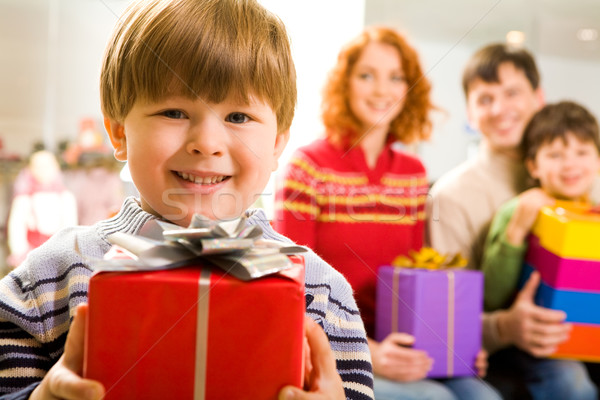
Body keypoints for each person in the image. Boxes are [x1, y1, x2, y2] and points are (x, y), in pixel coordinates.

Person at [0, 1, 374, 399]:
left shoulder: (323, 293)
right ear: (119, 132)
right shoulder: (49, 276)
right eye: (174, 112)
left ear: (278, 142)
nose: (207, 144)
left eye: (238, 117)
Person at [274, 26, 499, 400]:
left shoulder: (411, 173)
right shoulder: (308, 166)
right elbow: (295, 288)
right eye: (367, 76)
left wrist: (452, 340)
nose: (382, 90)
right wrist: (373, 353)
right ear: (344, 85)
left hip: (399, 341)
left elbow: (414, 275)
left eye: (396, 77)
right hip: (333, 349)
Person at [427, 44, 597, 399]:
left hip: (574, 330)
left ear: (539, 97)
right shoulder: (450, 196)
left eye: (512, 93)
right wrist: (507, 327)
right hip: (498, 349)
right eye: (485, 99)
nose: (501, 108)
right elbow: (446, 317)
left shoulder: (572, 177)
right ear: (470, 115)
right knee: (570, 381)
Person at [483, 101, 600, 313]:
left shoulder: (595, 214)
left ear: (598, 160)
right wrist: (516, 230)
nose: (570, 164)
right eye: (555, 155)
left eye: (582, 152)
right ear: (533, 166)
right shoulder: (516, 210)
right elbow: (491, 296)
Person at [7, 149, 78, 267]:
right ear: (30, 169)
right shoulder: (24, 198)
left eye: (48, 165)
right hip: (30, 256)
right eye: (38, 166)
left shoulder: (65, 196)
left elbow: (69, 227)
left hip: (58, 255)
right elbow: (16, 229)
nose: (44, 170)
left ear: (56, 167)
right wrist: (20, 253)